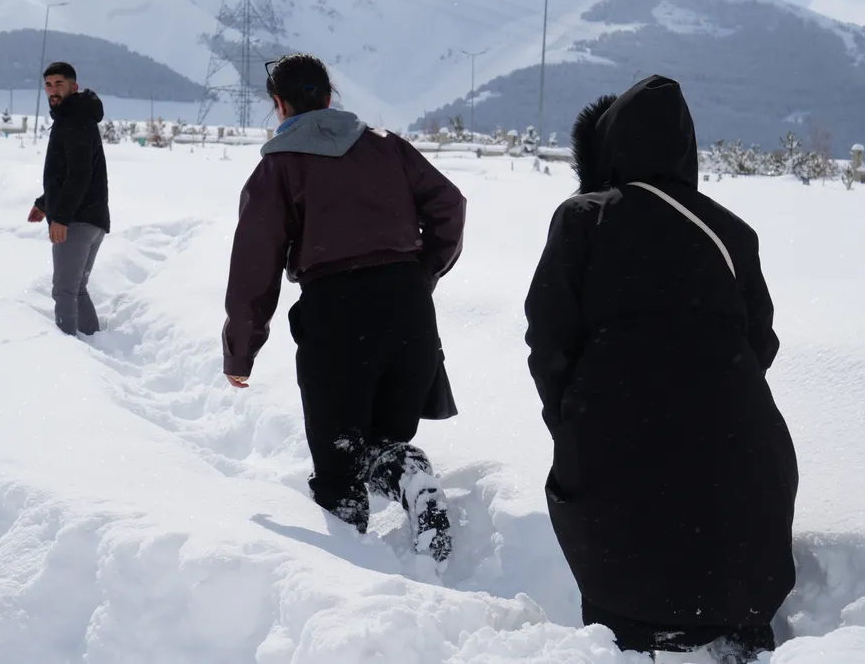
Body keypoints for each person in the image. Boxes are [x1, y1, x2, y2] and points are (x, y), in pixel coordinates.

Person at [523, 75, 798, 663]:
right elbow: (760, 340)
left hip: (614, 437)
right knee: (732, 561)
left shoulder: (583, 219)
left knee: (627, 606)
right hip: (741, 445)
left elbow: (548, 338)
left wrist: (575, 418)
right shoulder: (730, 232)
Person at [222, 53, 466, 569]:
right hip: (408, 309)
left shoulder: (279, 167)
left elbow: (255, 262)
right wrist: (421, 274)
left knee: (340, 463)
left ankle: (347, 582)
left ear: (279, 104)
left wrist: (241, 349)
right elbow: (449, 204)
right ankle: (410, 478)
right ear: (330, 98)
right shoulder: (387, 147)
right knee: (384, 440)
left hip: (336, 314)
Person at [28, 61, 111, 337]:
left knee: (64, 291)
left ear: (73, 87)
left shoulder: (74, 120)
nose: (52, 90)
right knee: (76, 290)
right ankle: (94, 342)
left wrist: (60, 217)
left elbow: (79, 175)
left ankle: (68, 354)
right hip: (91, 218)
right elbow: (66, 173)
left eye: (59, 84)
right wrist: (45, 202)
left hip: (78, 219)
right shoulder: (75, 116)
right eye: (48, 85)